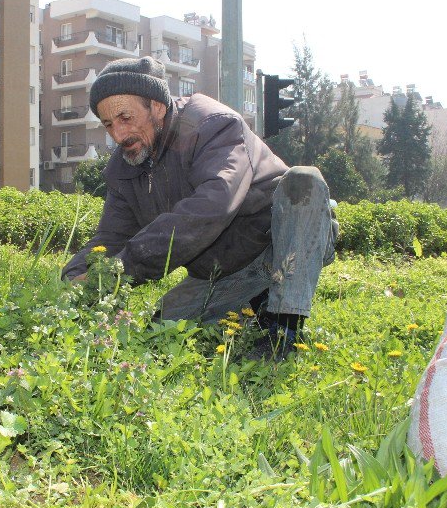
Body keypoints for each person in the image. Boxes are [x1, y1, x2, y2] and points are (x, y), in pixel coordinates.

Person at [62, 56, 337, 357]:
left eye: (125, 118)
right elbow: (110, 237)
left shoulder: (213, 125)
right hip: (225, 273)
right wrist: (74, 280)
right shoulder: (124, 167)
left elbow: (211, 206)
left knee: (303, 181)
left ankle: (285, 329)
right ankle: (256, 305)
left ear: (157, 106)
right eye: (108, 125)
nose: (118, 134)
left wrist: (120, 268)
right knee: (160, 328)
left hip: (279, 244)